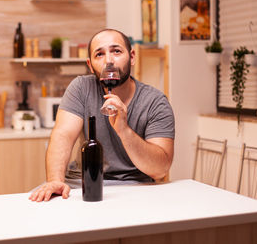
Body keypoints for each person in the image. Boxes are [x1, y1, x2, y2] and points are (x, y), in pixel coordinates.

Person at [29, 29, 175, 202]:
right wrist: (55, 180)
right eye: (99, 54)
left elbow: (160, 169)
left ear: (132, 57)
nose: (109, 60)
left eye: (116, 51)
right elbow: (63, 136)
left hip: (134, 186)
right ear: (90, 65)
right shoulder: (81, 88)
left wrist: (124, 130)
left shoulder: (155, 102)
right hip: (81, 182)